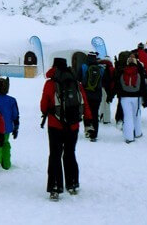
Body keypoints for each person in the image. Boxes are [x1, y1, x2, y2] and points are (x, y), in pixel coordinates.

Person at [40, 57, 92, 201]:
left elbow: (43, 106)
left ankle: (55, 187)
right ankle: (73, 184)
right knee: (70, 153)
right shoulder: (76, 82)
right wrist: (88, 119)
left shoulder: (50, 83)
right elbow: (84, 102)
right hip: (73, 125)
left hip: (55, 125)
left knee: (55, 155)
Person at [114, 53, 147, 143]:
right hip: (136, 97)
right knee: (136, 115)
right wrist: (145, 99)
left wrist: (117, 94)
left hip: (124, 97)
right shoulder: (139, 72)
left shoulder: (122, 71)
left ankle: (129, 137)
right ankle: (138, 133)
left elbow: (117, 84)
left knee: (127, 117)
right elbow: (143, 87)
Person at [78, 53, 109, 142]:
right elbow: (105, 81)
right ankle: (94, 135)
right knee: (95, 113)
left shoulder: (83, 67)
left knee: (87, 113)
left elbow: (78, 78)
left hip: (86, 94)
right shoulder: (101, 69)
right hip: (97, 95)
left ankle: (88, 131)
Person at [0, 77, 19, 170]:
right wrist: (16, 128)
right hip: (7, 128)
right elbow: (15, 115)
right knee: (6, 144)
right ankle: (6, 164)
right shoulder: (12, 100)